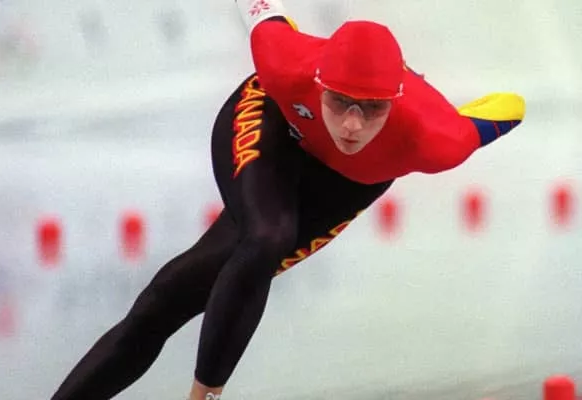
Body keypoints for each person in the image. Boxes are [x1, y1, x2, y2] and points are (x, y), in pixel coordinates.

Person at [51, 1, 526, 399]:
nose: (352, 124)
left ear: (396, 100)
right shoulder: (285, 60)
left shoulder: (435, 137)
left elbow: (510, 108)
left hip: (346, 183)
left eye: (372, 108)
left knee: (177, 294)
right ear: (320, 83)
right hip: (275, 122)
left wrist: (460, 112)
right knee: (264, 237)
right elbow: (260, 10)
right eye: (340, 101)